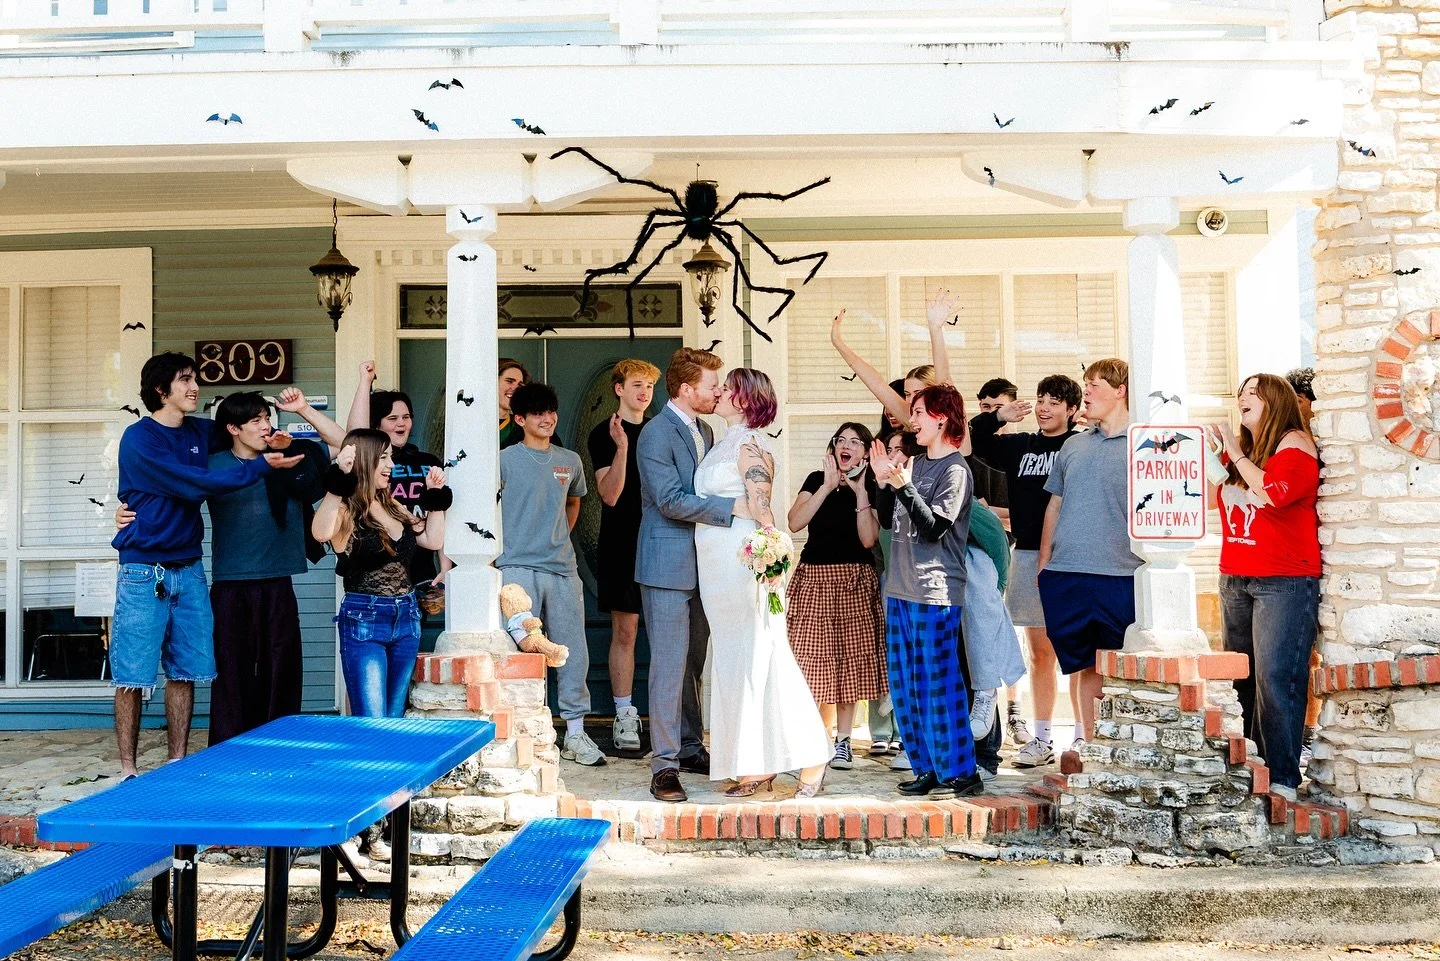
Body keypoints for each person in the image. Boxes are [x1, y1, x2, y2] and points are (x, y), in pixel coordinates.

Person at [110, 352, 302, 779]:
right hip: (143, 568)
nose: (195, 386)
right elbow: (195, 482)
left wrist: (280, 434)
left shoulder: (202, 431)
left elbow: (243, 431)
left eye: (194, 378)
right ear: (162, 390)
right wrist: (258, 467)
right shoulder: (138, 438)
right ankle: (128, 768)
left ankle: (177, 761)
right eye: (185, 380)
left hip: (190, 567)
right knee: (133, 675)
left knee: (188, 669)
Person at [311, 427, 449, 859]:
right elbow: (320, 531)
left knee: (392, 724)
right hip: (365, 621)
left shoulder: (392, 504)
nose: (392, 465)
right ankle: (365, 827)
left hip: (406, 619)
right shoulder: (347, 510)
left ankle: (384, 825)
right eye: (385, 458)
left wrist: (435, 498)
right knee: (370, 726)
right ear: (367, 460)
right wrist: (338, 480)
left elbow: (432, 540)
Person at [694, 369, 832, 796]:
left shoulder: (752, 446)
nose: (718, 392)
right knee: (736, 663)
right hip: (715, 568)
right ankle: (754, 763)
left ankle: (812, 756)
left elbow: (761, 503)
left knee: (762, 658)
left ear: (744, 399)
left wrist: (770, 555)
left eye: (726, 388)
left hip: (742, 567)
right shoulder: (722, 443)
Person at [634, 346, 751, 803]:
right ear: (686, 390)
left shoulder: (705, 429)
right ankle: (664, 765)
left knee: (692, 663)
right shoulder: (654, 434)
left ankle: (688, 744)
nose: (718, 392)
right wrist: (731, 508)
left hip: (708, 565)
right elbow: (669, 501)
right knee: (667, 665)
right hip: (665, 565)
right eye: (711, 387)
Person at [1206, 374, 1321, 800]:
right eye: (1241, 391)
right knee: (1242, 678)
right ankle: (1249, 768)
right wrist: (1214, 454)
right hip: (1236, 575)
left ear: (1275, 401)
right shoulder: (1250, 453)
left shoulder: (1296, 446)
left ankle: (1283, 777)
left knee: (1276, 679)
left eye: (1254, 392)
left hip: (1284, 581)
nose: (1242, 398)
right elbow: (1218, 491)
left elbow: (1273, 494)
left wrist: (1234, 453)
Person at [869, 383, 984, 799]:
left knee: (939, 684)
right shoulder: (914, 463)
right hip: (900, 589)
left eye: (918, 412)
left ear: (941, 418)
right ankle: (928, 768)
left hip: (935, 592)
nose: (911, 419)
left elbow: (935, 527)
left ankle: (961, 771)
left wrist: (902, 485)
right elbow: (890, 522)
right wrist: (885, 484)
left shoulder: (955, 470)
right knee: (905, 685)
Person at [971, 374, 1084, 767]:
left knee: (1079, 652)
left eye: (1054, 401)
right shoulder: (1021, 446)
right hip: (1027, 555)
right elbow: (973, 440)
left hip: (1073, 559)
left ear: (1072, 409)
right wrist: (998, 416)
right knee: (1039, 654)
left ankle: (1084, 738)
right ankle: (1042, 738)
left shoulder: (1080, 445)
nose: (1044, 407)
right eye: (1040, 398)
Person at [497, 383, 606, 767]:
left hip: (562, 568)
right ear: (520, 419)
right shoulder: (504, 460)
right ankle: (524, 731)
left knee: (572, 649)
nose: (547, 419)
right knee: (522, 650)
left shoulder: (570, 460)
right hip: (516, 567)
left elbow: (574, 502)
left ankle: (575, 733)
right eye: (538, 413)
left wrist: (558, 536)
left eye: (551, 411)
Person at [1037, 359, 1140, 746]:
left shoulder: (1145, 443)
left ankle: (1124, 748)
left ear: (1121, 390)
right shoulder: (1073, 444)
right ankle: (1090, 747)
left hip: (1123, 573)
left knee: (1123, 666)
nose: (1087, 393)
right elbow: (1055, 505)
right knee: (1086, 665)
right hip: (1068, 572)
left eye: (1094, 385)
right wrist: (1046, 564)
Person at [785, 422, 886, 771]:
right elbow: (795, 522)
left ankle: (843, 743)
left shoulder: (871, 487)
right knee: (808, 662)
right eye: (841, 440)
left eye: (855, 442)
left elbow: (868, 539)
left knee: (849, 662)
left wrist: (860, 492)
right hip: (813, 577)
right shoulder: (816, 479)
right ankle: (810, 738)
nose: (846, 446)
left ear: (865, 452)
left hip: (854, 580)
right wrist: (827, 488)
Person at [587, 359, 661, 754]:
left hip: (663, 541)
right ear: (618, 389)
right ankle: (624, 713)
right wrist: (623, 448)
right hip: (621, 543)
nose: (644, 393)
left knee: (669, 633)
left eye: (649, 386)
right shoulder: (605, 434)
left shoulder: (663, 430)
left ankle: (670, 719)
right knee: (626, 632)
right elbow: (610, 495)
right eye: (636, 385)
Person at [346, 363, 448, 638]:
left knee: (412, 642)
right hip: (378, 563)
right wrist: (365, 381)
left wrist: (446, 568)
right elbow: (353, 438)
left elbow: (442, 514)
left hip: (422, 561)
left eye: (406, 416)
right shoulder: (370, 464)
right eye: (392, 418)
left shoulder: (428, 462)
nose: (402, 423)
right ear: (377, 422)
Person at [1286, 366, 1324, 764]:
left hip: (1323, 556)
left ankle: (1310, 732)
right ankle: (1301, 733)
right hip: (1300, 558)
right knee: (1304, 651)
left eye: (1298, 402)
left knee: (1312, 652)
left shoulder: (1322, 443)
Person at [499, 358, 530, 450]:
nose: (515, 388)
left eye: (520, 385)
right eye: (509, 381)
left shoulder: (526, 428)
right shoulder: (471, 424)